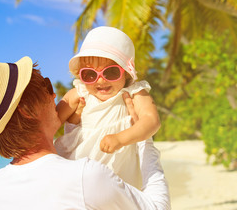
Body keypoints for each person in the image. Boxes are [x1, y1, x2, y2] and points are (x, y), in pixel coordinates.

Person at [0, 56, 170, 210]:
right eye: (46, 86)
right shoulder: (85, 177)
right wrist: (142, 137)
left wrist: (74, 130)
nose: (54, 95)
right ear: (27, 110)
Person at [55, 26, 161, 189]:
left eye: (111, 72)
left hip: (120, 176)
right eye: (90, 74)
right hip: (80, 171)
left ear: (126, 72)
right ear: (80, 75)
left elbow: (152, 121)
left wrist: (121, 138)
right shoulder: (81, 92)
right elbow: (52, 122)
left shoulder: (134, 93)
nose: (100, 80)